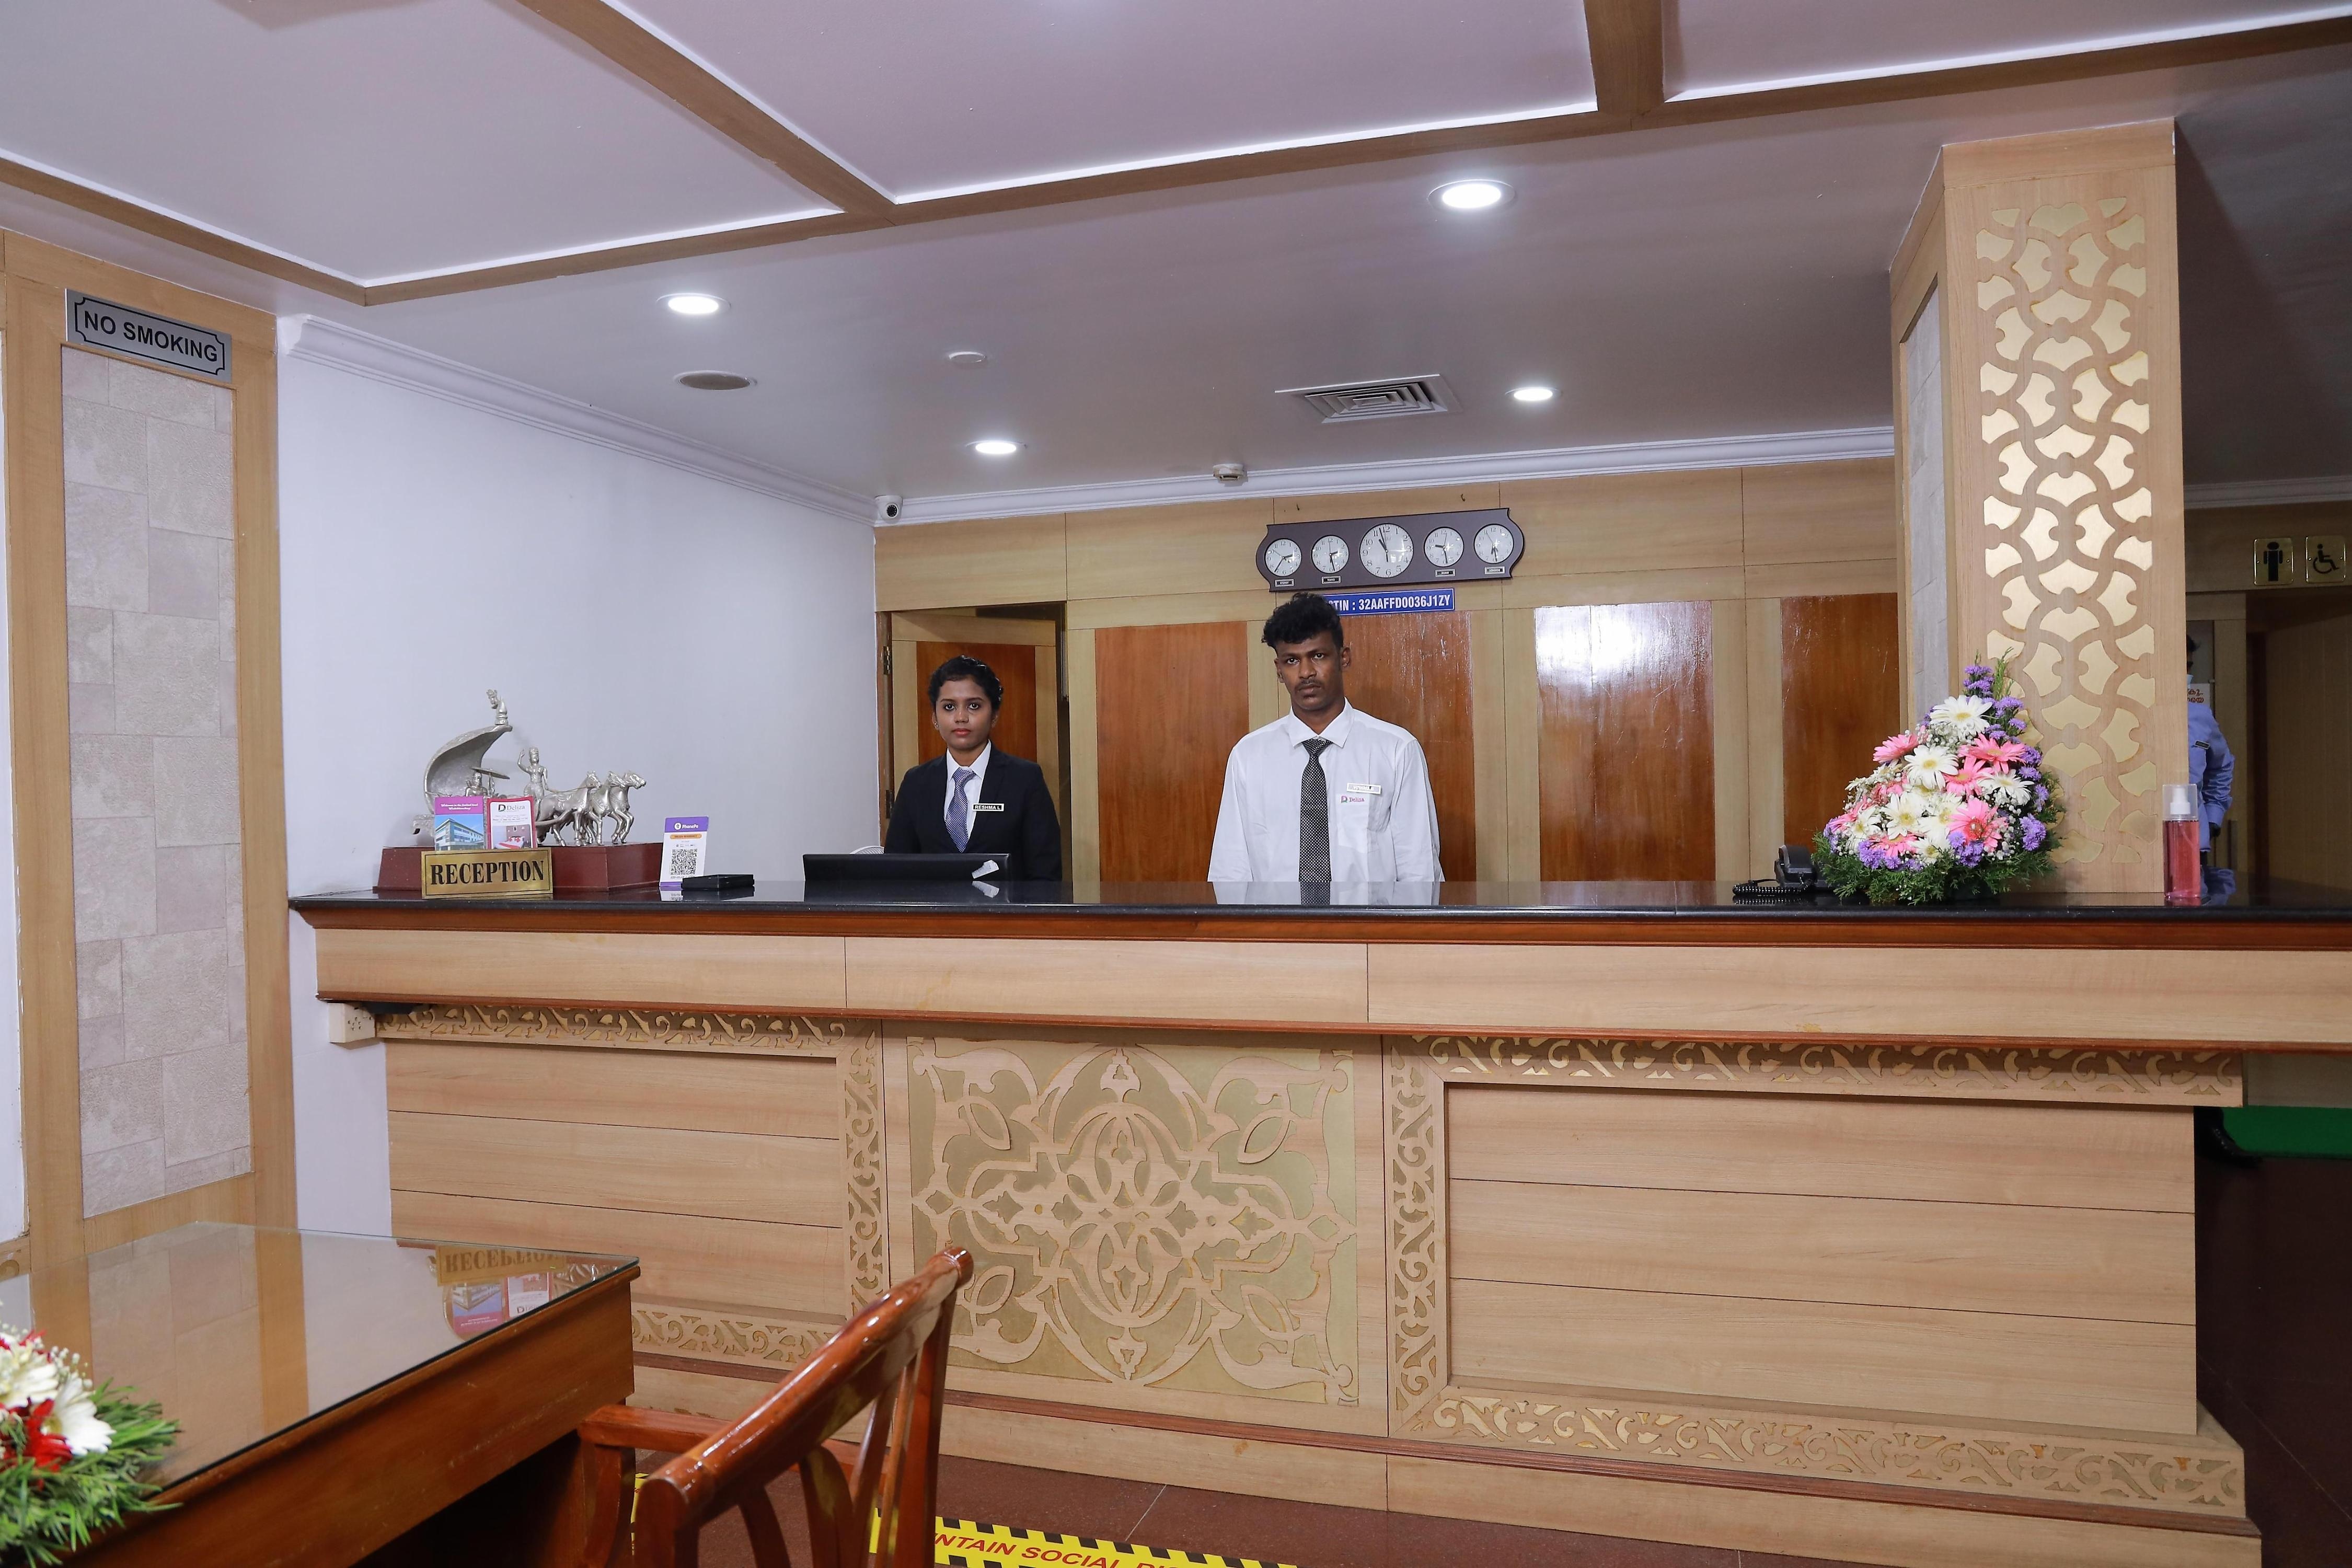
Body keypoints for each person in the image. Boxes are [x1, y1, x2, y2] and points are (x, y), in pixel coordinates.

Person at [1208, 592, 1440, 884]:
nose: (1306, 672)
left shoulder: (1395, 750)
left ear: (1344, 658)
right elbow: (1230, 871)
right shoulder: (1249, 756)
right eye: (1292, 660)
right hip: (1276, 915)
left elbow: (1419, 869)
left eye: (1318, 656)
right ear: (1279, 670)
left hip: (1369, 915)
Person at [885, 654, 1062, 879]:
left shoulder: (1025, 779)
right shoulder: (916, 782)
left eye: (974, 706)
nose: (961, 717)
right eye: (949, 707)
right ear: (935, 718)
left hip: (1006, 903)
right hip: (932, 903)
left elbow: (1046, 873)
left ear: (994, 715)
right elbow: (894, 869)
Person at [2188, 637, 2235, 897]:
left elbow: (2221, 765)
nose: (2185, 675)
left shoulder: (2200, 716)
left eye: (2188, 667)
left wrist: (2214, 814)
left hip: (2193, 843)